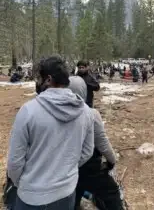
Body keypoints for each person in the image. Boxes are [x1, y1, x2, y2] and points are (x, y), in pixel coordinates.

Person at [7, 56, 95, 209]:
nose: (38, 82)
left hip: (32, 197)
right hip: (66, 192)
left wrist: (24, 183)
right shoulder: (86, 112)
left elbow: (15, 161)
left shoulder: (29, 111)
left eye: (39, 78)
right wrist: (67, 169)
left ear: (48, 79)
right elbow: (87, 151)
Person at [67, 76, 123, 210]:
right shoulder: (91, 114)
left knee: (74, 195)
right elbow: (102, 142)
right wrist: (112, 160)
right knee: (112, 192)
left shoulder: (56, 114)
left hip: (67, 168)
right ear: (84, 92)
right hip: (89, 167)